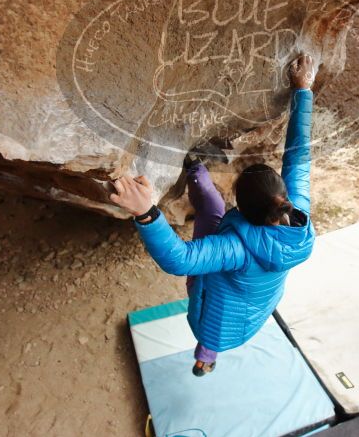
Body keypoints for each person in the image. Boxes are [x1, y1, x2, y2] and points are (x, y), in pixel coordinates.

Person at [110, 53, 315, 376]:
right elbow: (299, 156)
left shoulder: (234, 249)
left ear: (243, 209)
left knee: (212, 212)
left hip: (214, 318)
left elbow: (181, 260)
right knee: (212, 213)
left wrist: (146, 212)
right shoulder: (299, 216)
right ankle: (206, 361)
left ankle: (205, 359)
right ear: (282, 196)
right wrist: (301, 91)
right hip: (257, 308)